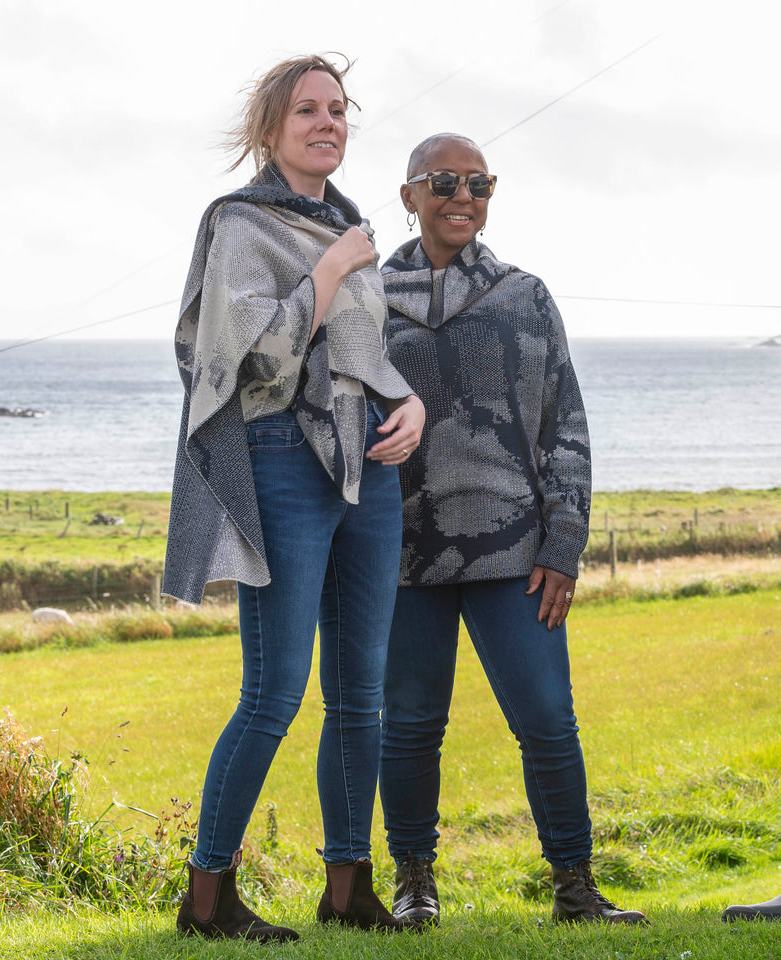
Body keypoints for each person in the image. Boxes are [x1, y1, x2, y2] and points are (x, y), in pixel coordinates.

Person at [162, 55, 426, 942]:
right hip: (280, 458)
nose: (327, 123)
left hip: (369, 466)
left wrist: (410, 401)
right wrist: (329, 272)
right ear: (271, 128)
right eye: (307, 110)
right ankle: (207, 897)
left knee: (363, 693)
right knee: (274, 691)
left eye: (338, 110)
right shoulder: (244, 224)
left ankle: (347, 886)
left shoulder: (344, 221)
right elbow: (254, 365)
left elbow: (362, 355)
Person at [378, 133, 647, 926]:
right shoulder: (365, 296)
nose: (464, 198)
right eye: (445, 183)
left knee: (546, 720)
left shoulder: (524, 295)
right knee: (412, 726)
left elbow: (565, 427)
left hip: (515, 551)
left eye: (480, 185)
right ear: (409, 195)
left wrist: (564, 546)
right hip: (401, 553)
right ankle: (415, 887)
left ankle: (574, 887)